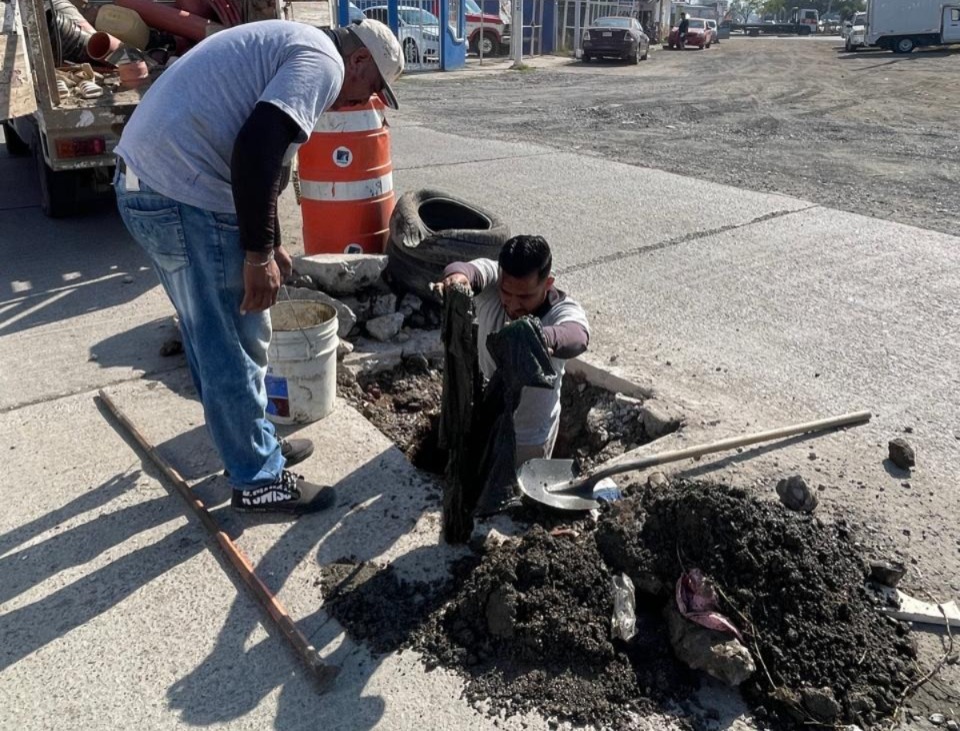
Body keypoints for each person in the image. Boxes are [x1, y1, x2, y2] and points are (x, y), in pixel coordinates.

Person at [114, 19, 403, 514]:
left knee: (210, 334)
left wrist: (273, 241)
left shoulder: (296, 44)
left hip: (152, 184)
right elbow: (255, 150)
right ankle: (257, 477)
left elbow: (269, 164)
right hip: (182, 193)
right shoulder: (324, 63)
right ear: (358, 61)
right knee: (234, 339)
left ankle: (250, 447)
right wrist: (257, 256)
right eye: (372, 88)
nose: (364, 101)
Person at [439, 236, 590, 466]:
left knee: (521, 487)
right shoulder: (495, 279)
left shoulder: (560, 309)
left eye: (525, 296)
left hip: (529, 437)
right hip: (484, 420)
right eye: (507, 293)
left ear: (548, 283)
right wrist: (457, 280)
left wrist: (536, 338)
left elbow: (577, 335)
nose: (513, 304)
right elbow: (464, 270)